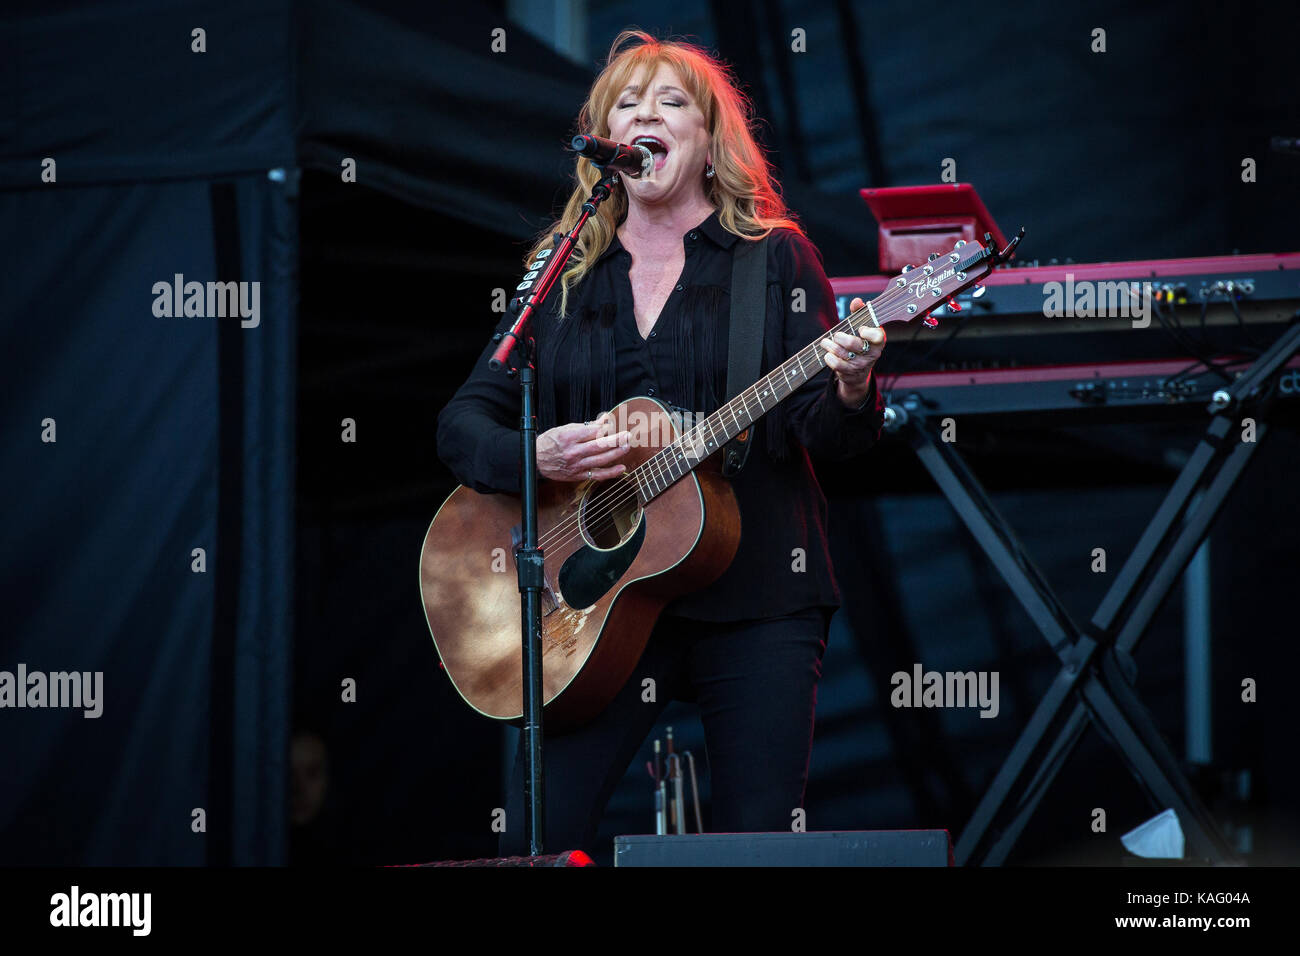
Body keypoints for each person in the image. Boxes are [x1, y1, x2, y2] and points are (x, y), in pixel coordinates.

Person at [436, 29, 887, 859]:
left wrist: (853, 384)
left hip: (757, 597)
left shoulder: (771, 259)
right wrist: (536, 458)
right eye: (627, 105)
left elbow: (826, 433)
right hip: (596, 610)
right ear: (604, 142)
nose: (645, 115)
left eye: (671, 102)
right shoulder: (565, 271)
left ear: (710, 143)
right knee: (536, 838)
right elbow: (463, 421)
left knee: (757, 847)